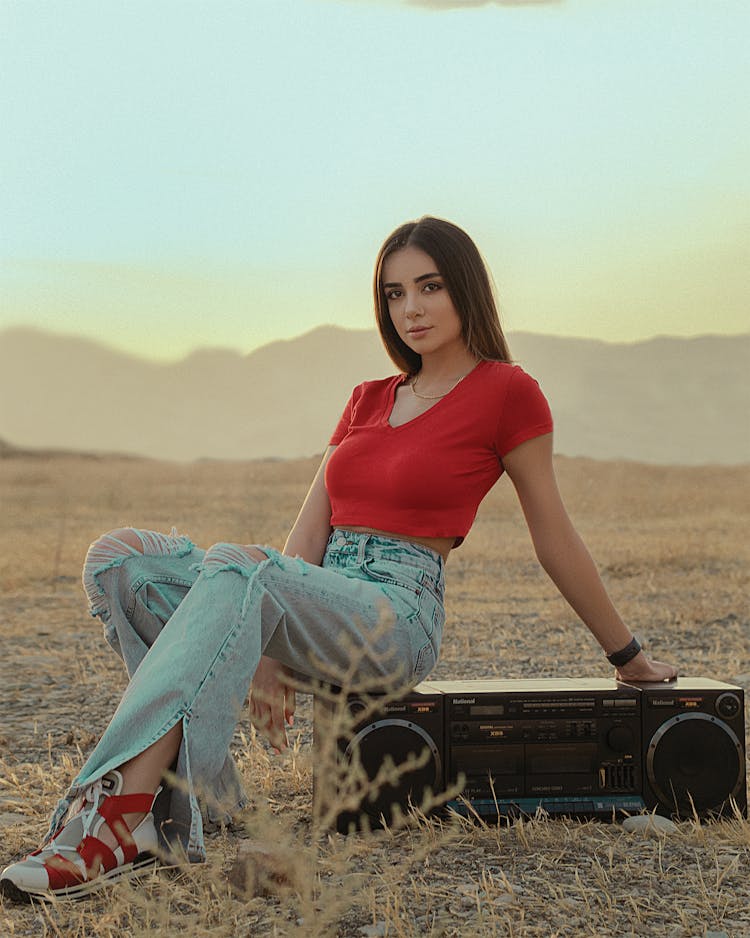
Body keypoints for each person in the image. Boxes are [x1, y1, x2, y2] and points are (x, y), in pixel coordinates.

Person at [0, 216, 677, 903]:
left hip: (394, 617)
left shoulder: (507, 392)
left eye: (429, 287)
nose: (410, 308)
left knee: (241, 563)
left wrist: (628, 655)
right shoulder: (368, 397)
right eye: (393, 294)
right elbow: (308, 530)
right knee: (120, 564)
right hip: (311, 592)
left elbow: (553, 533)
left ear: (465, 288)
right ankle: (190, 791)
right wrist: (265, 645)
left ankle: (116, 821)